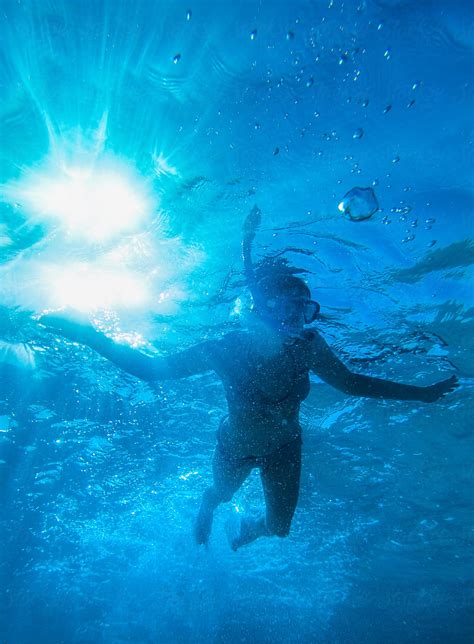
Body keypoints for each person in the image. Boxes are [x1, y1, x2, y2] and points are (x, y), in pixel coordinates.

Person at [39, 207, 458, 551]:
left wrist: (421, 395)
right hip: (235, 448)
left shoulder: (309, 346)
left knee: (279, 528)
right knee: (220, 495)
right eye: (286, 309)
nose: (296, 320)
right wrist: (86, 334)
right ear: (261, 307)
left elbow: (352, 384)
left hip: (284, 450)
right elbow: (151, 368)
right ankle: (207, 508)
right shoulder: (225, 349)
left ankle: (248, 533)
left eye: (303, 311)